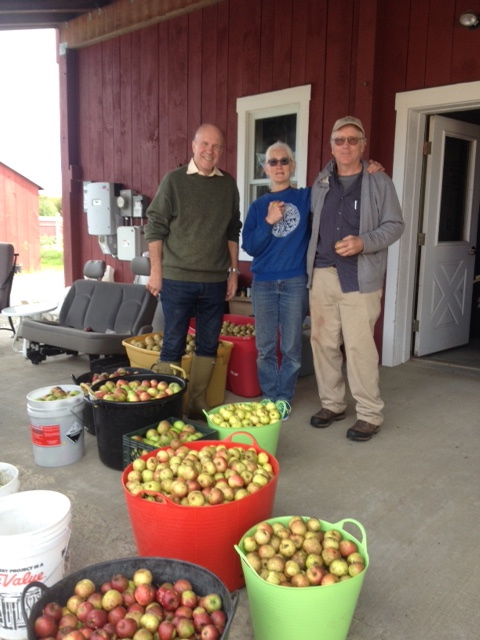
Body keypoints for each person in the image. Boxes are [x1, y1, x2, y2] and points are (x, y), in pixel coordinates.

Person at [306, 116, 404, 441]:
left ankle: (369, 414)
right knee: (323, 342)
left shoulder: (379, 181)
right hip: (322, 273)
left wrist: (364, 242)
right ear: (331, 146)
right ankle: (333, 404)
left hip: (360, 277)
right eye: (339, 140)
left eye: (352, 140)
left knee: (360, 347)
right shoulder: (322, 181)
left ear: (362, 145)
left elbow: (395, 225)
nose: (345, 145)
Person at [144, 123, 242, 420]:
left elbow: (232, 230)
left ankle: (196, 403)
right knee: (172, 341)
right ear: (193, 145)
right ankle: (167, 408)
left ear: (222, 151)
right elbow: (155, 227)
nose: (210, 151)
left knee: (208, 344)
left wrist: (234, 271)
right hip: (176, 279)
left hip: (214, 281)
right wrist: (156, 271)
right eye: (205, 144)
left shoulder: (228, 184)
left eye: (216, 147)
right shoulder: (173, 181)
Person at [241, 142, 310, 419]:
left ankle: (284, 397)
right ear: (265, 168)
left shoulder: (306, 198)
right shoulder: (258, 207)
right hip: (264, 284)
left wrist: (371, 169)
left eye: (284, 161)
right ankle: (270, 396)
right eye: (273, 162)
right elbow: (251, 247)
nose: (279, 166)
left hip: (294, 280)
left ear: (292, 166)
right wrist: (269, 221)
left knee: (292, 346)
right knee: (265, 346)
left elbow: (337, 179)